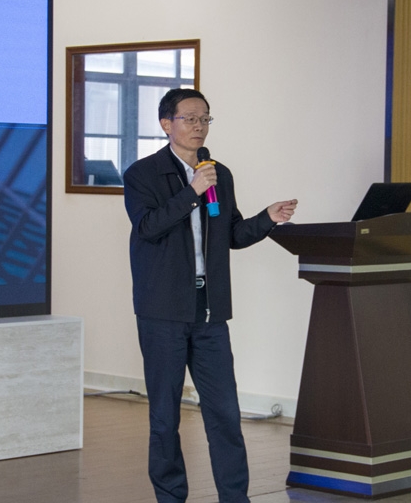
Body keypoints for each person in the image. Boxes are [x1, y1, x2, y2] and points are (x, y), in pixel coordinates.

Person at [123, 88, 297, 503]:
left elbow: (231, 233)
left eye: (205, 119)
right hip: (163, 311)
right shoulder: (142, 174)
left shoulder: (219, 173)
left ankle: (235, 498)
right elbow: (147, 227)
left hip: (209, 312)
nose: (199, 126)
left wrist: (267, 219)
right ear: (166, 124)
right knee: (165, 417)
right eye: (190, 118)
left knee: (225, 414)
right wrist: (192, 191)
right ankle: (171, 497)